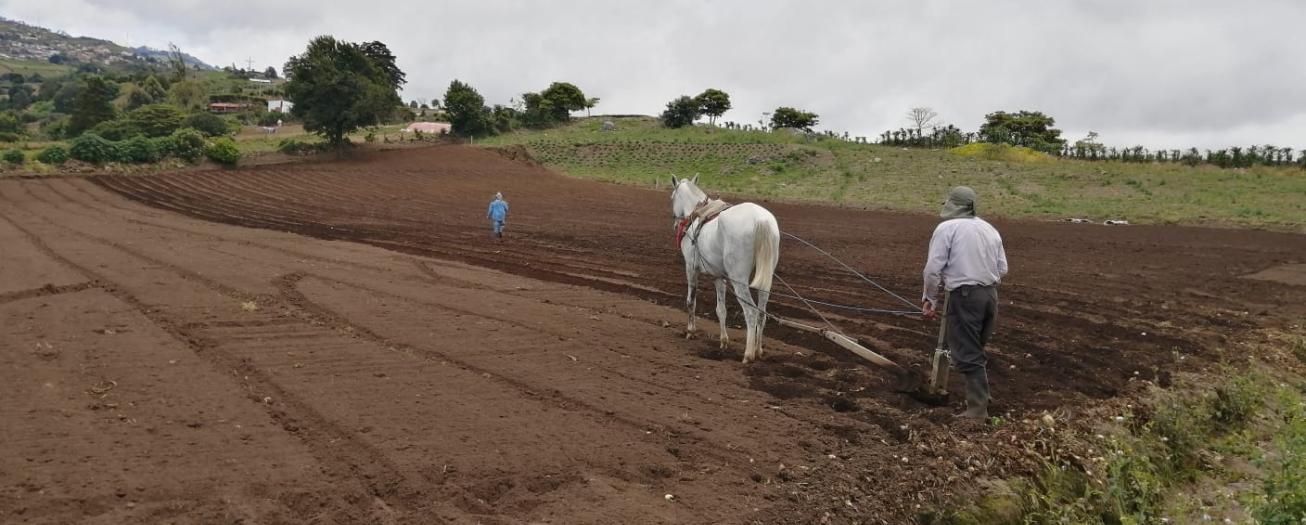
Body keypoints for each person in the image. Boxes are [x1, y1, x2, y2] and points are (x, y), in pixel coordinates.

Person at [921, 186, 1008, 419]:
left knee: (967, 352)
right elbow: (1003, 268)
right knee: (975, 348)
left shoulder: (947, 228)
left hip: (965, 297)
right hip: (990, 296)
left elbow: (932, 270)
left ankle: (977, 411)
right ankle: (983, 398)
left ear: (951, 205)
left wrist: (930, 299)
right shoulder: (989, 229)